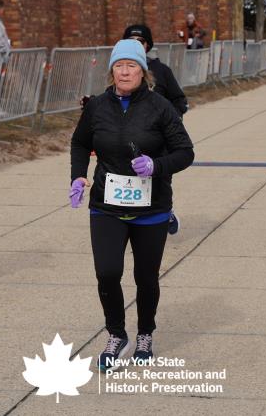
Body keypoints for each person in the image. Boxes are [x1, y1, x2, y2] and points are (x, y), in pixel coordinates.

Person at [69, 39, 194, 371]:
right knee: (107, 272)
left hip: (151, 208)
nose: (124, 72)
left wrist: (156, 166)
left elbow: (185, 152)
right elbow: (80, 143)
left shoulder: (160, 107)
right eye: (119, 66)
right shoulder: (97, 106)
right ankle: (116, 334)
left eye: (131, 66)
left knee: (146, 277)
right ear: (112, 71)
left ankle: (145, 334)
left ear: (143, 71)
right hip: (106, 205)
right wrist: (78, 176)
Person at [123, 24, 187, 235]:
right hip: (131, 137)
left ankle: (164, 212)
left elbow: (179, 100)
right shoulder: (121, 69)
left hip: (160, 139)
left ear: (148, 44)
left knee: (160, 178)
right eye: (130, 40)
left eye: (140, 41)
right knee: (130, 177)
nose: (136, 44)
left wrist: (170, 119)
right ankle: (130, 216)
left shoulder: (162, 70)